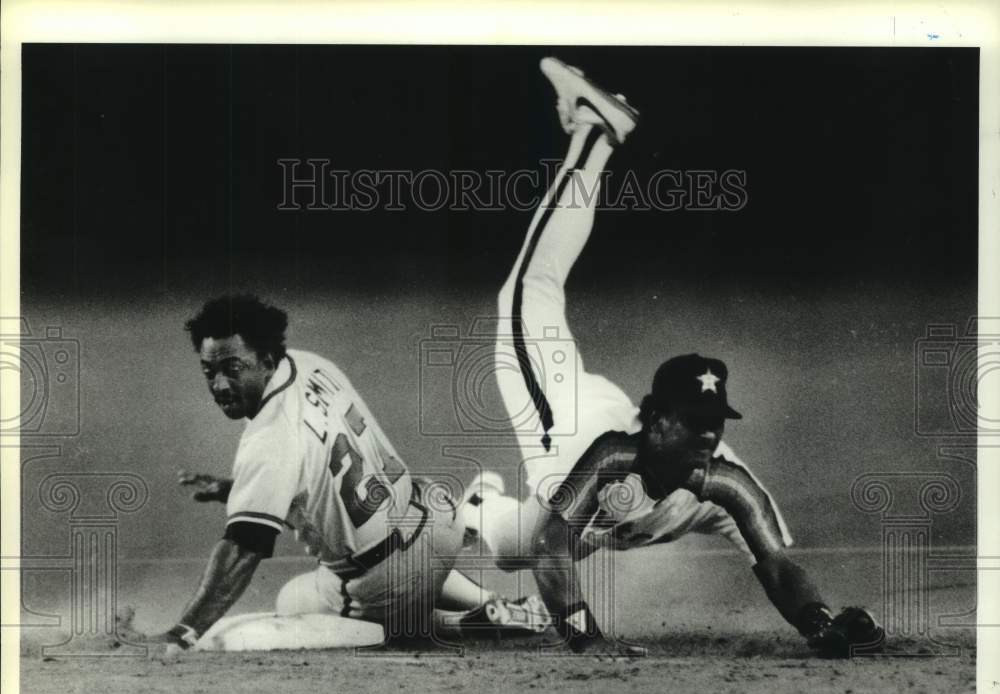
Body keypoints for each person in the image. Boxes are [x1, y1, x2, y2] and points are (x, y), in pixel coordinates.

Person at [464, 57, 884, 658]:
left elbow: (775, 561)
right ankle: (596, 131)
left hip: (607, 513)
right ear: (656, 419)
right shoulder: (607, 452)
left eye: (715, 424)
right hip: (561, 414)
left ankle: (480, 504)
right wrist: (590, 641)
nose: (709, 437)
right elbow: (551, 550)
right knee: (528, 291)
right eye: (695, 424)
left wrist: (820, 622)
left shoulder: (724, 481)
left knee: (514, 545)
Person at [151, 294, 548, 655]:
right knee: (399, 548)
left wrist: (183, 632)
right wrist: (232, 489)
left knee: (296, 600)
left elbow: (242, 550)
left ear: (267, 361)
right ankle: (485, 598)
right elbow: (320, 475)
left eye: (233, 368)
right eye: (208, 371)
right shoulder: (312, 365)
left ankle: (461, 623)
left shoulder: (269, 439)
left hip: (388, 577)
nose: (219, 384)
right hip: (438, 520)